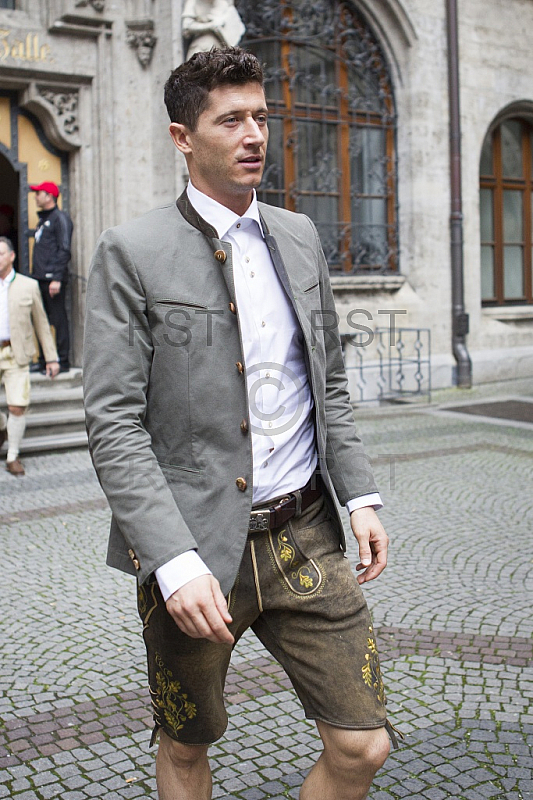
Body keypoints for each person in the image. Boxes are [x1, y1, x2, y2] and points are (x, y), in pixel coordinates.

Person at [83, 47, 395, 800]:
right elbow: (114, 423)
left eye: (261, 116)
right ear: (182, 137)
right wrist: (172, 560)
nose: (254, 133)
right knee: (187, 746)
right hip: (191, 549)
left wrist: (358, 496)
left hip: (304, 533)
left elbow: (329, 386)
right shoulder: (132, 251)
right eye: (231, 120)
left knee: (363, 745)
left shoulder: (298, 236)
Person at [0, 236, 59, 475]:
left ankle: (13, 455)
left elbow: (42, 323)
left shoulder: (28, 285)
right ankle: (2, 426)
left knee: (17, 406)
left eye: (1, 253)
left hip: (17, 353)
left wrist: (51, 358)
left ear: (12, 256)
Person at [29, 181, 73, 373]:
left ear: (49, 196)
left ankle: (63, 361)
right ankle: (45, 359)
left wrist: (56, 277)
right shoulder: (43, 220)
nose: (35, 196)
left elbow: (64, 249)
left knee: (58, 318)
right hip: (40, 279)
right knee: (41, 319)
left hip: (52, 280)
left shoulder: (60, 218)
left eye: (39, 193)